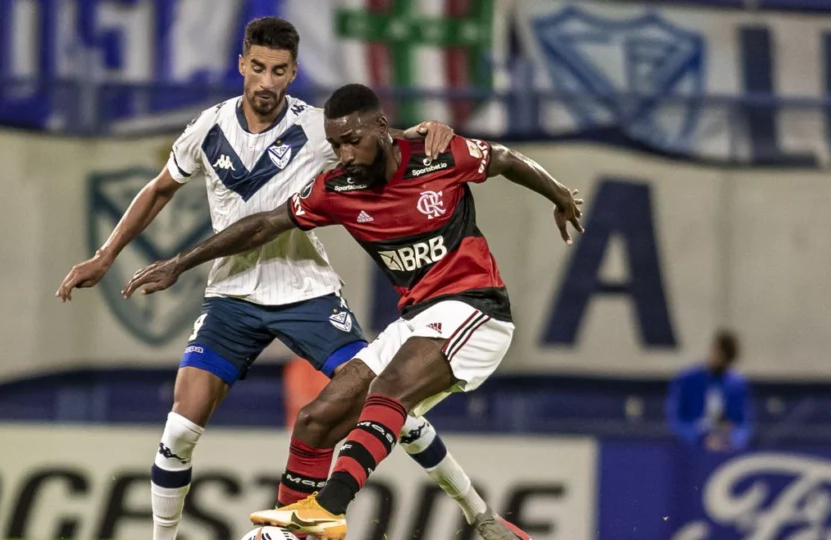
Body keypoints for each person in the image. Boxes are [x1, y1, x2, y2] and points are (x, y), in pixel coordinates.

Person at [58, 18, 517, 540]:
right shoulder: (208, 128)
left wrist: (431, 130)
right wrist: (105, 255)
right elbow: (160, 188)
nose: (267, 81)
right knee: (180, 429)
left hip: (306, 292)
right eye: (258, 68)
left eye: (279, 71)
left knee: (386, 398)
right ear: (241, 64)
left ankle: (478, 513)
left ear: (293, 72)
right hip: (231, 295)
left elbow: (382, 139)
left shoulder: (319, 128)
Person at [122, 83, 583, 539]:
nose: (344, 154)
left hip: (476, 309)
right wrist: (180, 263)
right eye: (335, 145)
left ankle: (329, 506)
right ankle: (289, 532)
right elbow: (263, 225)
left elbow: (503, 158)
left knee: (388, 390)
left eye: (352, 141)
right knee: (317, 418)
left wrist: (560, 194)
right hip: (416, 318)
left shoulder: (438, 155)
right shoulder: (337, 187)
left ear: (381, 127)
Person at [666, 329, 752, 452]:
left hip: (724, 449)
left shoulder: (737, 385)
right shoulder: (687, 379)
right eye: (718, 354)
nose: (719, 360)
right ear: (712, 349)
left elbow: (743, 424)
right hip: (690, 450)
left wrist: (730, 439)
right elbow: (676, 419)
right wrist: (701, 437)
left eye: (725, 358)